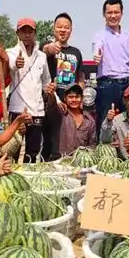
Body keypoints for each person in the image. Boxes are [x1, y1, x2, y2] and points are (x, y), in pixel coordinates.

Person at [40, 13, 84, 161]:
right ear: (54, 29)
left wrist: (80, 99)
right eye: (59, 27)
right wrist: (51, 48)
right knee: (49, 140)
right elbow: (46, 49)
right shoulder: (46, 46)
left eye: (66, 27)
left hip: (70, 103)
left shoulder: (76, 52)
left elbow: (80, 78)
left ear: (71, 30)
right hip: (51, 101)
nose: (62, 30)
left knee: (66, 140)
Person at [7, 18, 52, 163]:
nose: (27, 34)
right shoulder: (11, 53)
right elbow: (9, 68)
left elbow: (46, 81)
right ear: (18, 33)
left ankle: (30, 181)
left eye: (30, 31)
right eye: (23, 31)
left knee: (32, 152)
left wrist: (53, 94)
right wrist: (15, 65)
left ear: (35, 33)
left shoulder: (42, 56)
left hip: (37, 110)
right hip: (17, 109)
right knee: (12, 148)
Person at [92, 0, 129, 135]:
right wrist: (97, 57)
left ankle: (128, 154)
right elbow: (97, 51)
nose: (113, 16)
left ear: (121, 14)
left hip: (127, 83)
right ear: (104, 15)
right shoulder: (99, 35)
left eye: (116, 12)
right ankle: (103, 153)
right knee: (105, 121)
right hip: (107, 85)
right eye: (109, 12)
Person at [57, 84, 96, 155]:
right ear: (65, 98)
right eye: (70, 97)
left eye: (77, 97)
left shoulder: (89, 120)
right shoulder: (60, 114)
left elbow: (92, 144)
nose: (74, 100)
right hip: (61, 161)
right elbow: (51, 106)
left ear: (82, 98)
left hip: (81, 161)